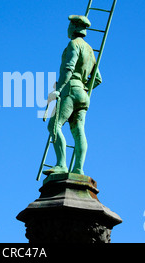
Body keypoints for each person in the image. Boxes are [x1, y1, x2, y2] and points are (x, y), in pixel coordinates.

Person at [44, 15, 102, 175]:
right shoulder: (90, 50)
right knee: (78, 131)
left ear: (75, 27)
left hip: (70, 90)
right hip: (83, 94)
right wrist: (83, 88)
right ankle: (78, 168)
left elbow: (68, 69)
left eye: (70, 25)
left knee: (54, 125)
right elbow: (97, 79)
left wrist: (59, 89)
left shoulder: (73, 44)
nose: (68, 28)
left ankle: (61, 164)